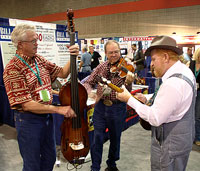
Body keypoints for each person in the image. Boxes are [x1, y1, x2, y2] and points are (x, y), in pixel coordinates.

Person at [3, 23, 78, 171]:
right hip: (28, 121)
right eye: (33, 41)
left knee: (49, 158)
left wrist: (72, 56)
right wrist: (58, 110)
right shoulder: (13, 68)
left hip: (46, 118)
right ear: (20, 44)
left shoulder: (39, 60)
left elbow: (62, 73)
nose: (37, 44)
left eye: (36, 40)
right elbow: (26, 104)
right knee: (32, 165)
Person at [116, 36, 196, 171]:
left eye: (153, 59)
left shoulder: (173, 83)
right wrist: (148, 98)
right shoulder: (183, 72)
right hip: (180, 142)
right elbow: (172, 101)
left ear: (165, 57)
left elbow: (155, 118)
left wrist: (128, 99)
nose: (151, 64)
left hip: (169, 147)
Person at [83, 40, 134, 171]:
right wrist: (90, 92)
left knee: (115, 138)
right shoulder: (101, 67)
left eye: (116, 52)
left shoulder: (127, 67)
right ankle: (95, 167)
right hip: (100, 108)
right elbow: (88, 82)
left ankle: (112, 164)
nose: (114, 55)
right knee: (97, 138)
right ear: (105, 53)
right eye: (110, 53)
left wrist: (129, 82)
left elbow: (128, 89)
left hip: (117, 108)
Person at [189, 47, 200, 146]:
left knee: (197, 116)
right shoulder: (191, 64)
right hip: (191, 91)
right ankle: (191, 136)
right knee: (190, 115)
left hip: (199, 93)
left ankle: (197, 137)